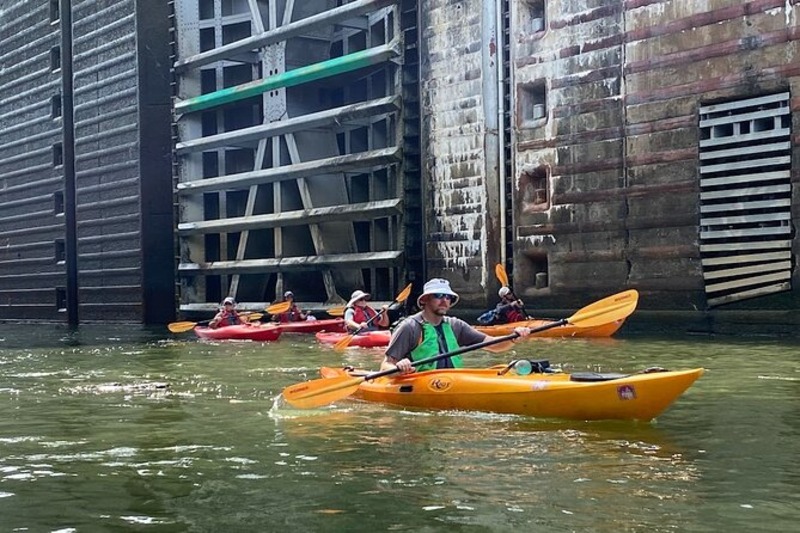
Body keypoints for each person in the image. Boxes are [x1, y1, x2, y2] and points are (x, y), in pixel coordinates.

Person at [382, 278, 530, 373]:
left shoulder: (455, 325)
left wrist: (513, 338)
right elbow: (386, 365)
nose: (444, 300)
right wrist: (399, 367)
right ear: (425, 299)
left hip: (453, 381)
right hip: (419, 383)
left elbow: (493, 345)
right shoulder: (409, 327)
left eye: (448, 297)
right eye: (438, 296)